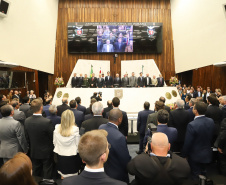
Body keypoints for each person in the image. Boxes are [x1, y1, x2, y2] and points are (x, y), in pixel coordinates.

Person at [62, 130, 126, 185]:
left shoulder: (66, 183)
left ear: (83, 159)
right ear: (103, 156)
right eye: (108, 147)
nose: (108, 149)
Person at [182, 101, 215, 179]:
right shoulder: (211, 121)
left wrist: (184, 155)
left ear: (195, 110)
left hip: (195, 156)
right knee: (204, 175)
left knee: (196, 176)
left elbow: (188, 143)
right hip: (207, 154)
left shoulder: (192, 125)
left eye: (193, 107)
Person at [24, 99, 54, 182]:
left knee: (35, 171)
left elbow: (26, 137)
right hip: (46, 152)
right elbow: (52, 137)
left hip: (33, 151)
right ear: (41, 108)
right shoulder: (47, 122)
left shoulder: (27, 121)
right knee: (47, 170)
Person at [99, 109, 131, 183]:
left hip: (103, 170)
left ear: (108, 117)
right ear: (120, 119)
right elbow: (125, 160)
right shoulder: (120, 137)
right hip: (117, 176)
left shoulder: (101, 127)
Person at [53, 110, 82, 179]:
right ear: (72, 118)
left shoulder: (57, 128)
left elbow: (54, 142)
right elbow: (78, 145)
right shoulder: (75, 129)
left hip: (60, 155)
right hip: (72, 156)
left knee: (62, 176)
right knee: (73, 177)